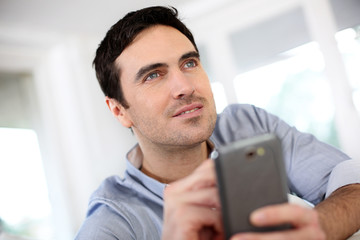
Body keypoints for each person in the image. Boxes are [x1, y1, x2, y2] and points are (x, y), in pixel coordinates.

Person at [75, 6, 360, 240]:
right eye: (153, 75)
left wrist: (314, 231)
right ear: (118, 110)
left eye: (189, 63)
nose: (185, 86)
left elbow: (352, 183)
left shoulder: (248, 125)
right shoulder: (112, 223)